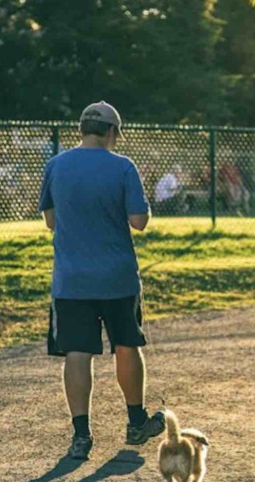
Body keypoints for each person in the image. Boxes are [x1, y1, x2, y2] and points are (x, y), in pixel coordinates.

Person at [38, 101, 166, 460]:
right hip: (118, 277)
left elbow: (51, 221)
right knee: (127, 344)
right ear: (111, 132)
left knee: (77, 353)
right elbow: (138, 221)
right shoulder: (123, 166)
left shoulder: (56, 165)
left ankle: (81, 436)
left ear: (82, 129)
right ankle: (136, 422)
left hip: (71, 278)